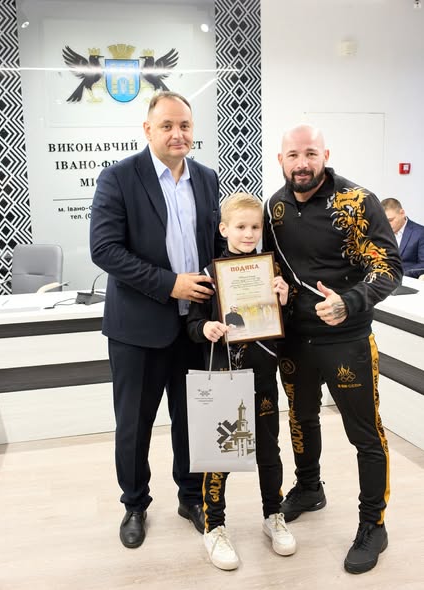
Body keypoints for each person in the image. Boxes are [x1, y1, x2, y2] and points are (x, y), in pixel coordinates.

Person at [263, 124, 403, 575]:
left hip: (347, 340)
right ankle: (309, 488)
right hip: (294, 340)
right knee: (301, 418)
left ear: (325, 154)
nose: (301, 163)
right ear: (281, 159)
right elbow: (272, 265)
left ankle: (373, 524)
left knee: (365, 434)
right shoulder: (275, 206)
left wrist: (350, 301)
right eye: (293, 155)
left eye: (310, 153)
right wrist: (274, 286)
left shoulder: (358, 201)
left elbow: (389, 267)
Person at [90, 91, 225, 548]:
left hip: (195, 327)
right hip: (138, 329)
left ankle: (191, 497)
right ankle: (134, 504)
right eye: (167, 125)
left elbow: (215, 247)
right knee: (135, 424)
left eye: (184, 125)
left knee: (192, 420)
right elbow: (105, 250)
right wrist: (170, 284)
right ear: (148, 130)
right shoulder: (119, 178)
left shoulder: (206, 178)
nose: (177, 133)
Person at [187, 192, 296, 571]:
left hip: (263, 375)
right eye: (241, 227)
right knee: (220, 455)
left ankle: (273, 515)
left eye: (255, 227)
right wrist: (206, 328)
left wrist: (285, 300)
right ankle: (214, 526)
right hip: (225, 377)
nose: (248, 234)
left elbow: (284, 325)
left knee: (268, 450)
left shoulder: (271, 272)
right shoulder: (208, 274)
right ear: (224, 229)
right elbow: (192, 325)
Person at [380, 197, 424, 278]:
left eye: (390, 220)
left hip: (407, 281)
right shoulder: (380, 233)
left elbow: (423, 265)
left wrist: (397, 273)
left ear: (402, 213)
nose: (387, 225)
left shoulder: (420, 233)